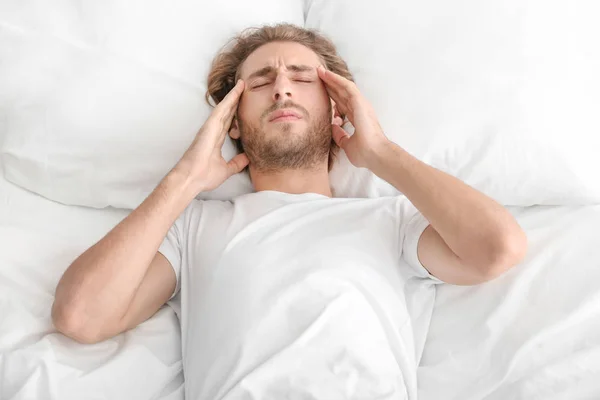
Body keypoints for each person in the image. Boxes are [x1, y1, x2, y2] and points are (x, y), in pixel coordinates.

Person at [51, 24, 527, 398]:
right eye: (260, 82)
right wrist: (183, 181)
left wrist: (380, 152)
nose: (282, 88)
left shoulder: (390, 221)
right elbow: (81, 317)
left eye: (302, 78)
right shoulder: (195, 226)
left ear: (336, 106)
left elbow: (497, 249)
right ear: (233, 119)